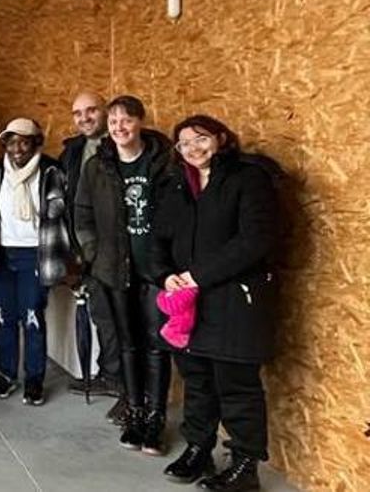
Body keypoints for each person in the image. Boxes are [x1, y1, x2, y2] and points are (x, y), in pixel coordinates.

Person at [155, 116, 278, 490]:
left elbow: (255, 239)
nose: (193, 148)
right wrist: (165, 274)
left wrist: (199, 275)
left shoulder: (248, 178)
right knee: (197, 380)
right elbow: (157, 239)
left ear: (221, 138)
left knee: (236, 385)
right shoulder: (179, 185)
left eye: (201, 139)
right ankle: (198, 447)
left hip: (235, 302)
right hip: (190, 306)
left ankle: (245, 466)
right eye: (184, 144)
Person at [75, 95, 174, 455]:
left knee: (157, 345)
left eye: (127, 120)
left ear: (141, 122)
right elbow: (82, 214)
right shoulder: (97, 166)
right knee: (128, 343)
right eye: (114, 120)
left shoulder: (165, 163)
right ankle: (134, 411)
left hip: (158, 271)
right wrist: (93, 254)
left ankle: (155, 418)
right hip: (114, 269)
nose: (119, 127)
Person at [0, 118, 72, 406]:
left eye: (24, 141)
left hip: (36, 254)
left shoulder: (51, 171)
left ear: (35, 142)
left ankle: (34, 379)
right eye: (12, 141)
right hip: (2, 254)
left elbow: (61, 214)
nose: (17, 148)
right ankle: (6, 374)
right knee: (4, 317)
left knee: (32, 318)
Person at [59, 92, 126, 417]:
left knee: (122, 319)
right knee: (102, 315)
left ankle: (128, 388)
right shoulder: (72, 151)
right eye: (77, 113)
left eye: (91, 111)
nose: (84, 117)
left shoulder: (119, 147)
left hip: (117, 250)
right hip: (87, 247)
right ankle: (110, 374)